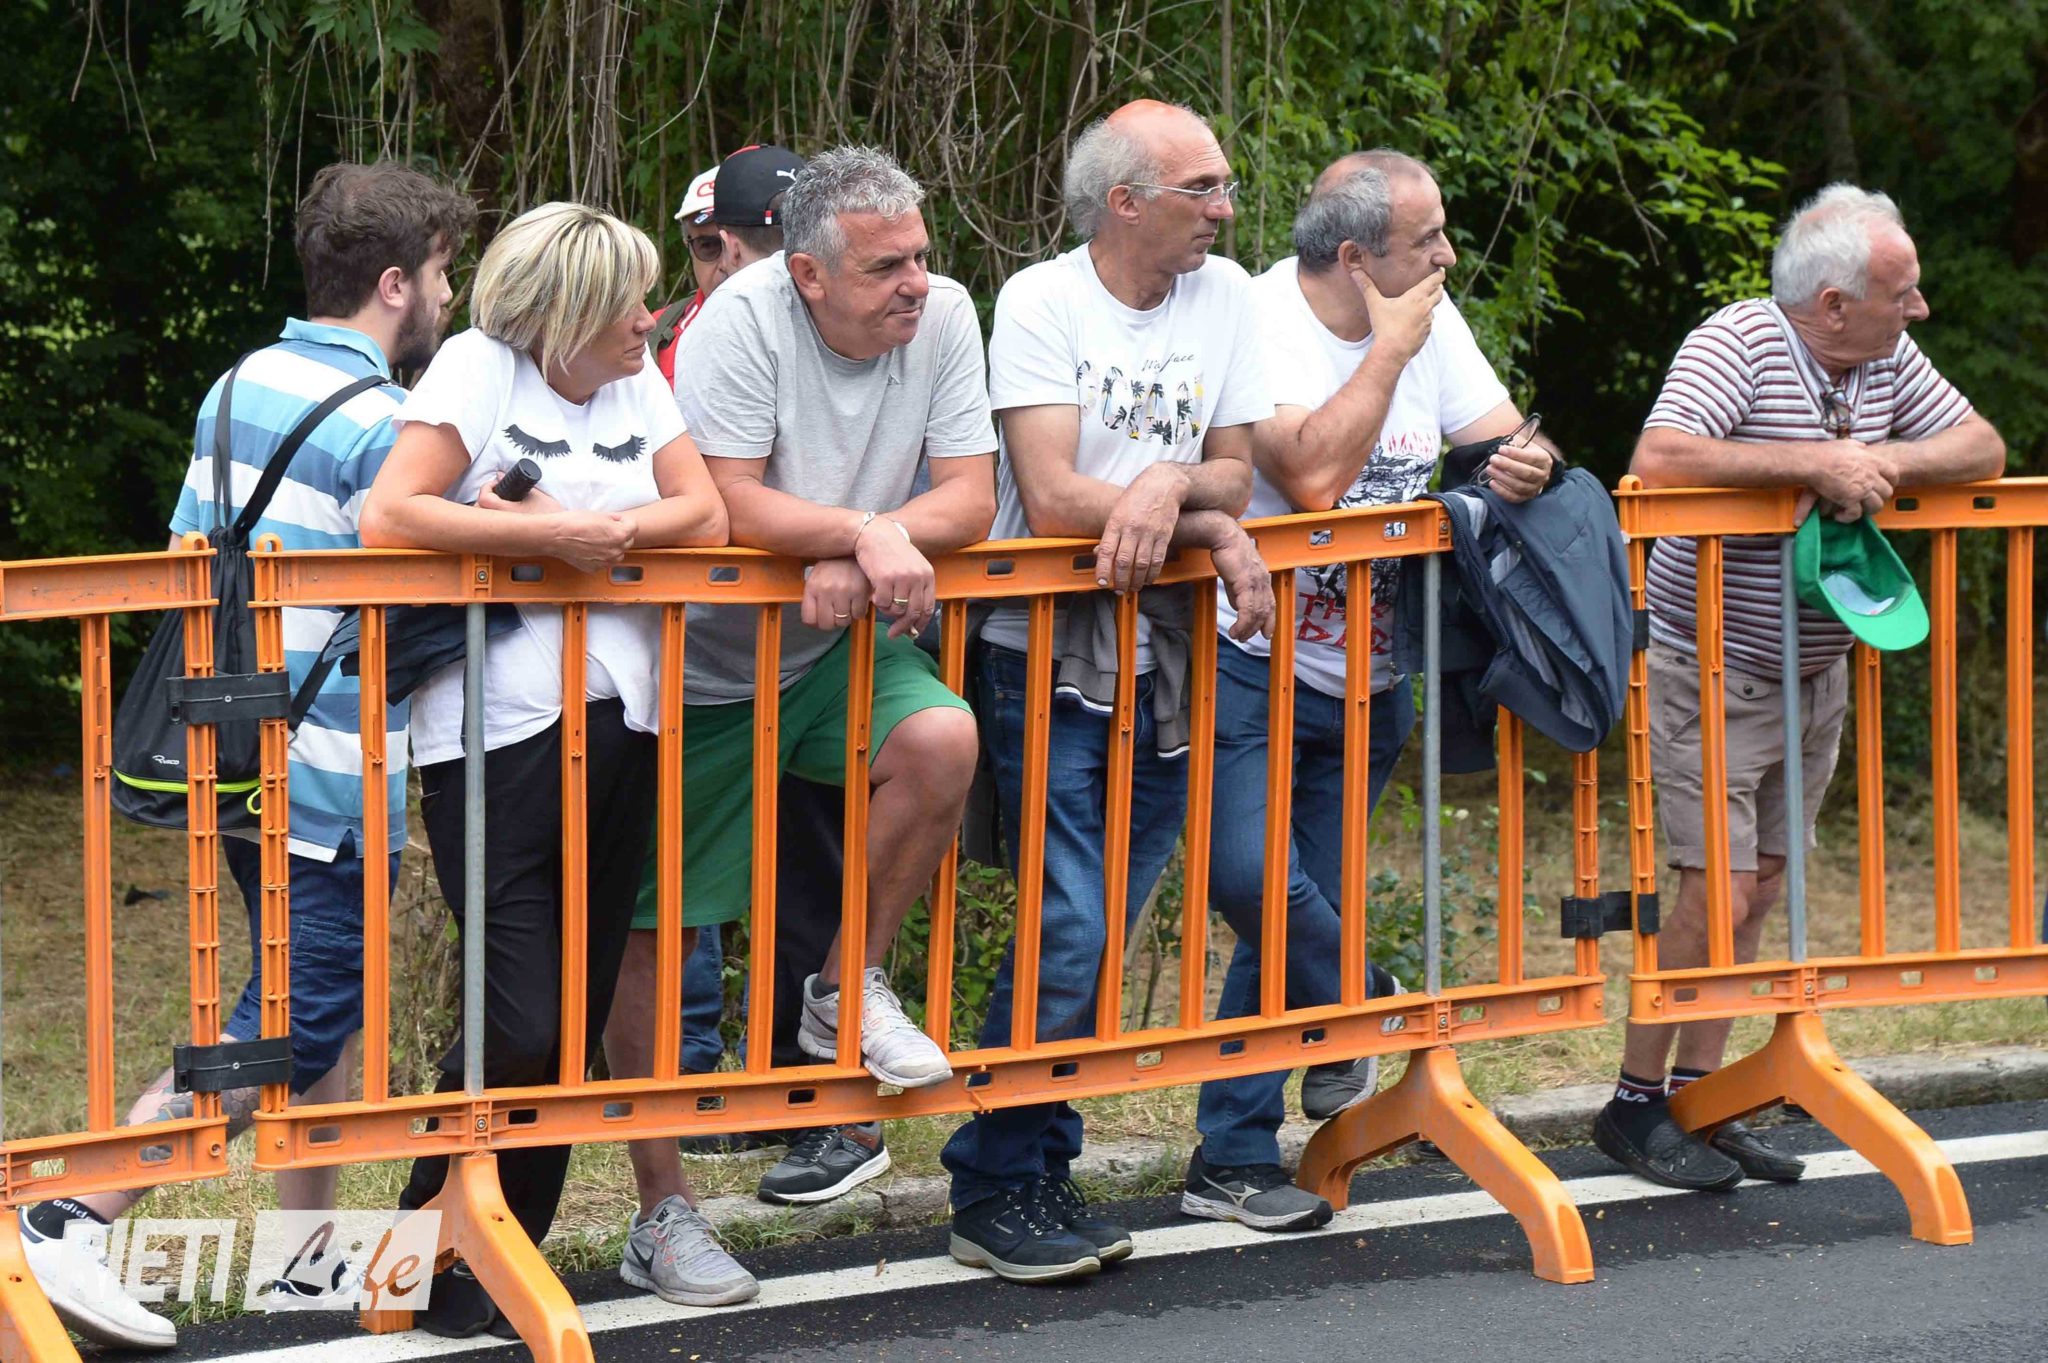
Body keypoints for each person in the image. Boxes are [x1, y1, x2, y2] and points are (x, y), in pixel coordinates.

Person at [15, 161, 473, 1354]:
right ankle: (68, 1214)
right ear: (392, 284)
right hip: (327, 769)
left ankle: (304, 1274)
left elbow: (186, 556)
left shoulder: (236, 385)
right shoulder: (381, 422)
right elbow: (432, 589)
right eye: (439, 273)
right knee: (297, 1018)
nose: (448, 296)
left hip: (235, 754)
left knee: (318, 1018)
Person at [360, 201, 747, 1332]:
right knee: (518, 1018)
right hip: (496, 733)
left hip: (627, 719)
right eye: (628, 301)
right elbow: (392, 513)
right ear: (564, 311)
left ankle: (493, 1256)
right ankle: (415, 1253)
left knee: (569, 1019)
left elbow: (705, 515)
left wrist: (587, 530)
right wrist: (547, 539)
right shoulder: (479, 370)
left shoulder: (635, 385)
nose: (649, 317)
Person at [1594, 183, 2005, 1189]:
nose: (1917, 310)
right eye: (1900, 294)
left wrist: (1872, 460)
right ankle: (1633, 1104)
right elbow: (1658, 457)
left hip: (1811, 669)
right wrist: (1813, 465)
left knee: (1763, 883)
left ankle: (1701, 1098)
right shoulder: (1737, 341)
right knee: (1716, 886)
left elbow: (1982, 446)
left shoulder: (1885, 356)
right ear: (1833, 303)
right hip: (1706, 662)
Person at [1185, 150, 1558, 1230]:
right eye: (1426, 239)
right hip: (1250, 655)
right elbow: (1310, 474)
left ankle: (1229, 1157)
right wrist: (1390, 351)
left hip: (1372, 671)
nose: (1447, 256)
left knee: (1288, 913)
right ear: (1355, 258)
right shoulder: (1257, 317)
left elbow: (1508, 437)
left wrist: (1526, 460)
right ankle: (1363, 994)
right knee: (1251, 878)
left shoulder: (1433, 319)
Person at [939, 100, 1279, 1283]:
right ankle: (991, 1181)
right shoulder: (1040, 299)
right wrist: (1201, 518)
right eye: (1203, 188)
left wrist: (1170, 489)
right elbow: (1047, 492)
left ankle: (1042, 1163)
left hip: (1166, 647)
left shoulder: (1223, 296)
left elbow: (1236, 468)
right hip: (1045, 643)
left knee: (1104, 918)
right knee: (1068, 920)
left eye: (1224, 185)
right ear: (1124, 202)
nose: (1225, 209)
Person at [665, 148, 994, 1161]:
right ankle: (654, 1176)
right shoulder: (738, 319)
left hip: (824, 654)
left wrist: (866, 540)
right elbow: (726, 500)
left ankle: (846, 990)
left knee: (940, 740)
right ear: (805, 273)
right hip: (697, 666)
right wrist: (859, 532)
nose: (916, 282)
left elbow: (970, 498)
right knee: (651, 922)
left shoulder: (945, 314)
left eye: (920, 255)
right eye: (884, 266)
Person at [608, 143, 877, 1234]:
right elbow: (695, 494)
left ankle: (819, 1105)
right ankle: (696, 1094)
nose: (724, 263)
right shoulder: (674, 339)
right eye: (710, 245)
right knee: (681, 891)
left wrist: (844, 541)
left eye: (736, 243)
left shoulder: (859, 326)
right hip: (696, 661)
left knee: (814, 871)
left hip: (815, 650)